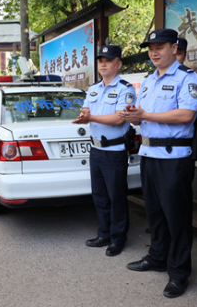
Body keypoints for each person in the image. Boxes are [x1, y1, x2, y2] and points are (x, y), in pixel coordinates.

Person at [119, 29, 197, 299]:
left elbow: (186, 115)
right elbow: (145, 116)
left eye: (160, 47)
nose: (154, 52)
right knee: (154, 213)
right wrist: (135, 117)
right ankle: (157, 256)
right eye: (150, 48)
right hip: (149, 155)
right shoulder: (148, 81)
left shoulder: (188, 79)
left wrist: (146, 114)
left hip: (174, 158)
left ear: (174, 47)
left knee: (176, 217)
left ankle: (179, 273)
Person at [73, 45, 136, 257]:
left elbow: (119, 118)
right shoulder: (93, 89)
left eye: (108, 60)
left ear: (118, 64)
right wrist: (84, 114)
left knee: (116, 195)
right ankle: (105, 233)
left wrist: (90, 118)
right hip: (96, 149)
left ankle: (118, 238)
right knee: (99, 195)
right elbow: (86, 109)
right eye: (101, 60)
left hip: (115, 150)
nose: (103, 64)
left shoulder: (126, 89)